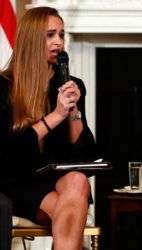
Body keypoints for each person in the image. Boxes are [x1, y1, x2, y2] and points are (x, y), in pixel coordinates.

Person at [0, 7, 97, 250]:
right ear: (32, 40)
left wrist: (74, 111)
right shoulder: (4, 86)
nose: (58, 42)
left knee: (77, 178)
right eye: (50, 35)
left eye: (62, 35)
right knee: (72, 210)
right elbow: (9, 154)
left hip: (57, 181)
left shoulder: (71, 86)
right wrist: (56, 115)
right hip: (17, 181)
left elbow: (84, 156)